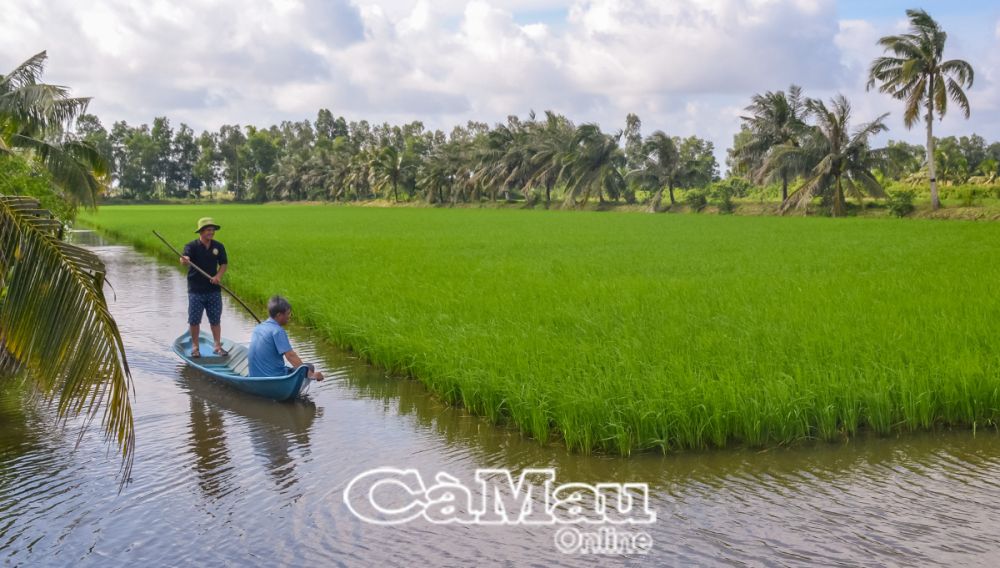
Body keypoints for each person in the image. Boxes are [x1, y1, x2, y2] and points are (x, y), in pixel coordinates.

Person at [180, 217, 228, 358]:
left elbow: (224, 264)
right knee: (194, 320)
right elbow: (183, 259)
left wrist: (218, 276)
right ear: (201, 232)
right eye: (208, 230)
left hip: (213, 289)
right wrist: (185, 260)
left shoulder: (218, 247)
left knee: (215, 319)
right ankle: (195, 347)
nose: (211, 233)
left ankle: (217, 346)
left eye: (212, 230)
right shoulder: (191, 246)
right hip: (196, 290)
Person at [248, 295, 324, 380]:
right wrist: (311, 375)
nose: (289, 316)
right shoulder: (278, 331)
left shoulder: (258, 328)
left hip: (254, 377)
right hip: (274, 377)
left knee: (301, 368)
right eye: (288, 313)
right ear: (279, 315)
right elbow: (290, 356)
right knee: (309, 367)